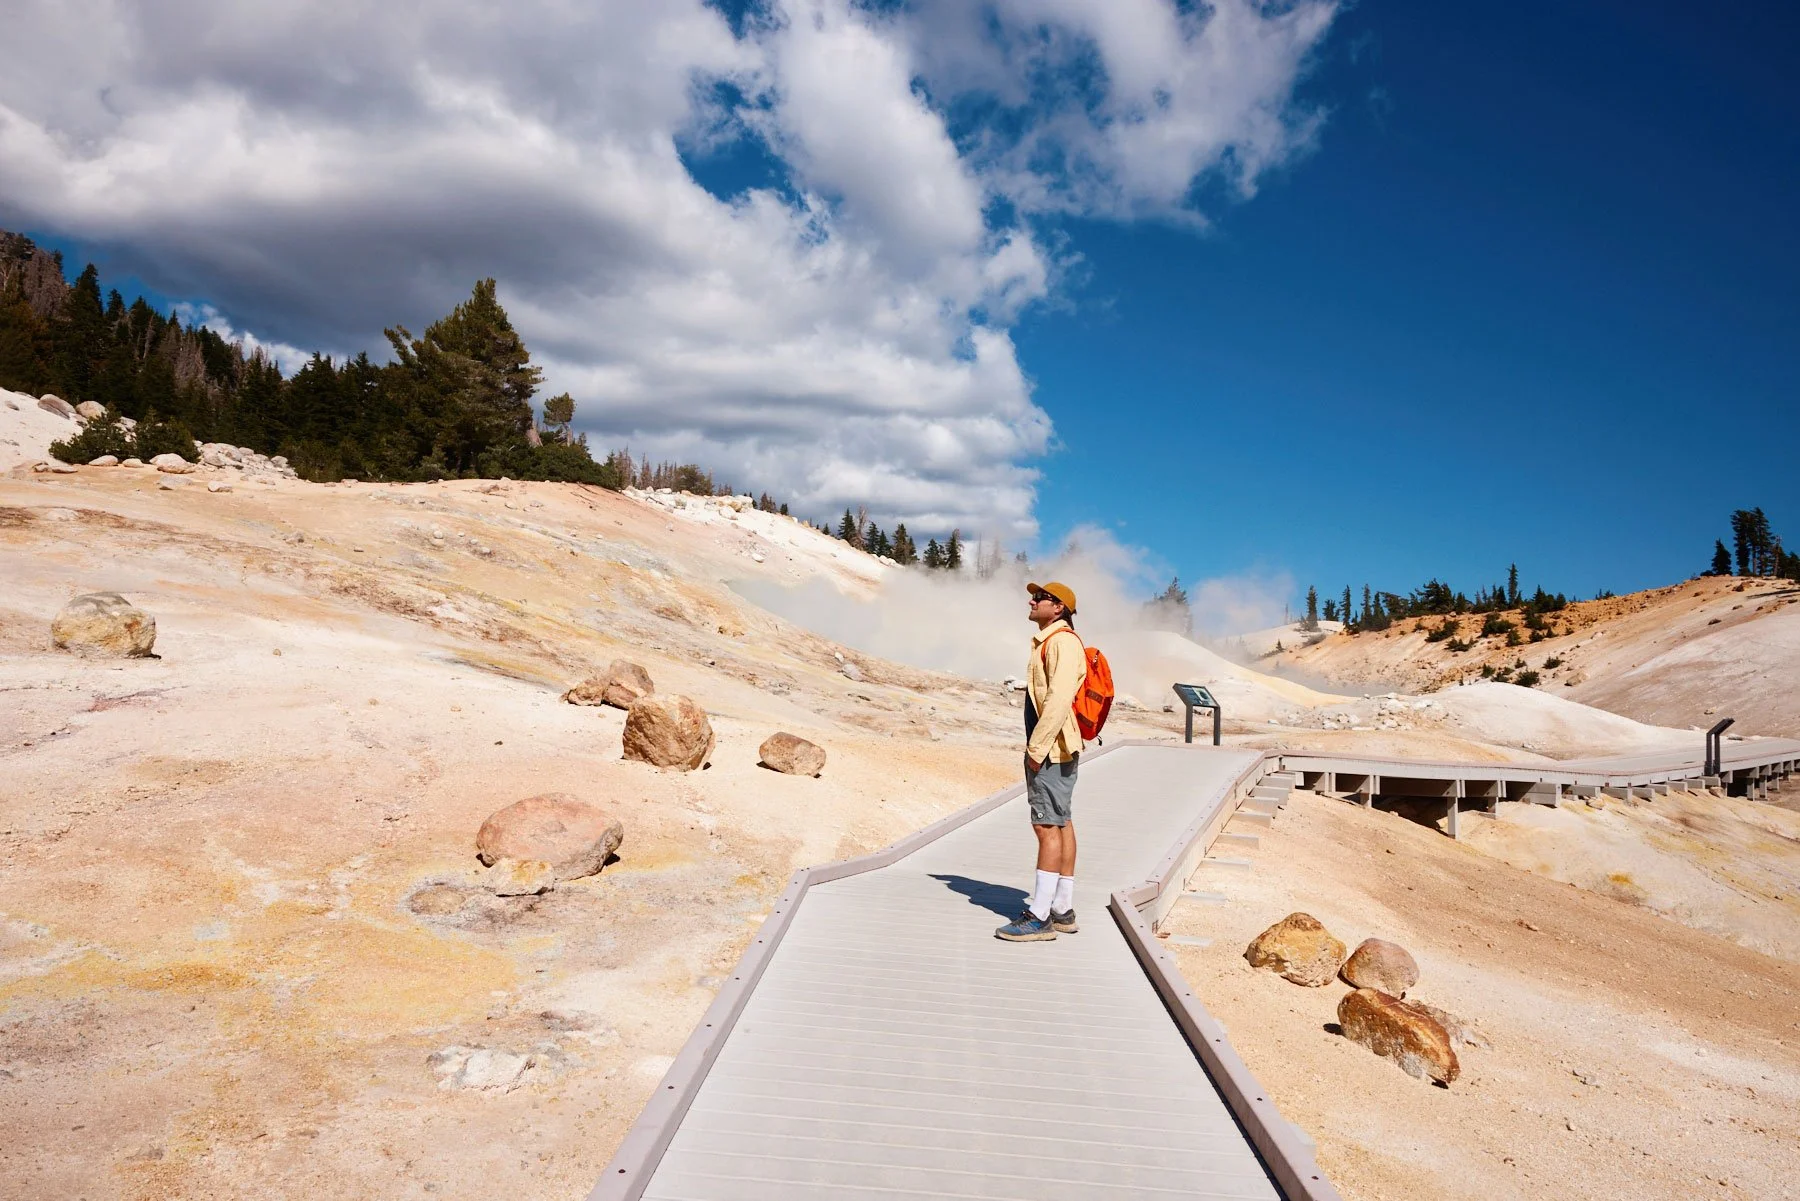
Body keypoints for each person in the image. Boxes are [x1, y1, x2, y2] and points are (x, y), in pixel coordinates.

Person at [996, 580, 1084, 942]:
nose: (1032, 602)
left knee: (1046, 827)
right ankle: (1062, 909)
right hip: (1058, 748)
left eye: (1040, 598)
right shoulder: (1052, 641)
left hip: (1051, 749)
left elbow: (1059, 699)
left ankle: (1039, 916)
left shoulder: (1061, 642)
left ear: (1058, 607)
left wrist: (1037, 749)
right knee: (1061, 822)